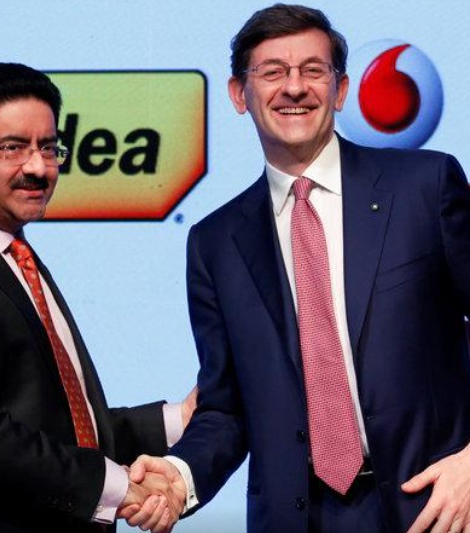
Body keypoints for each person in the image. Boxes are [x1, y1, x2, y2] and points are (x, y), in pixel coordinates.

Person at [129, 4, 470, 533]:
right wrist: (180, 476)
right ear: (239, 94)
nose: (294, 88)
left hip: (437, 509)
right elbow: (226, 408)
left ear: (341, 89)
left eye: (313, 70)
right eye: (272, 72)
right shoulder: (216, 242)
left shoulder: (425, 186)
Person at [0, 62, 195, 533]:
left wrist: (176, 420)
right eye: (12, 148)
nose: (38, 167)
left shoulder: (12, 255)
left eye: (48, 147)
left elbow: (60, 427)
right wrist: (115, 486)